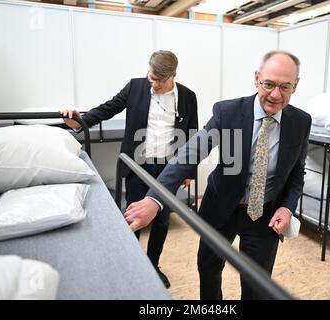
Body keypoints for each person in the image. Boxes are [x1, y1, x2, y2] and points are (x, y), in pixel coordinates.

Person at [124, 50, 311, 299]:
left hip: (264, 215)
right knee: (209, 269)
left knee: (257, 285)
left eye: (285, 87)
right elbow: (189, 154)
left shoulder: (301, 122)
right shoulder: (229, 112)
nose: (276, 94)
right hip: (220, 207)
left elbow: (297, 172)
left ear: (295, 86)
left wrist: (287, 207)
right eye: (269, 84)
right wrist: (155, 199)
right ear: (257, 78)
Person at [60, 50, 198, 289]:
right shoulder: (136, 87)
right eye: (150, 76)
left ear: (172, 75)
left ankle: (153, 266)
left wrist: (188, 170)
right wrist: (77, 122)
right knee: (134, 217)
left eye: (157, 80)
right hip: (138, 164)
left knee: (162, 221)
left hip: (169, 169)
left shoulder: (187, 96)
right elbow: (107, 108)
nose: (151, 82)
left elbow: (192, 134)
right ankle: (131, 265)